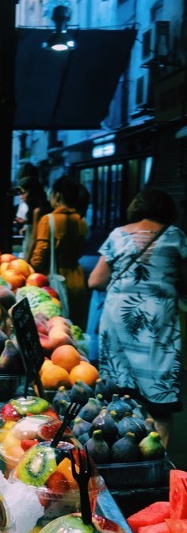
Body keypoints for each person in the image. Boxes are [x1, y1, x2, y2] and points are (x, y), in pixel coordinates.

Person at [88, 186, 187, 445]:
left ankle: (120, 453)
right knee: (160, 398)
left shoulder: (117, 235)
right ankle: (157, 459)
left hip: (118, 316)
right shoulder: (176, 236)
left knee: (120, 392)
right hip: (157, 320)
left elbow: (95, 280)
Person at [29, 174, 88, 327]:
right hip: (77, 280)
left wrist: (31, 274)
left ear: (57, 195)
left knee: (56, 328)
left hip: (53, 280)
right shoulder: (82, 221)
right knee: (74, 329)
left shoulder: (48, 220)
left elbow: (39, 255)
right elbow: (80, 251)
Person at [19, 175, 51, 260]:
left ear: (32, 192)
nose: (21, 197)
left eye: (23, 193)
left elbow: (34, 238)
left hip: (32, 253)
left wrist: (26, 260)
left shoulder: (37, 211)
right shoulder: (36, 208)